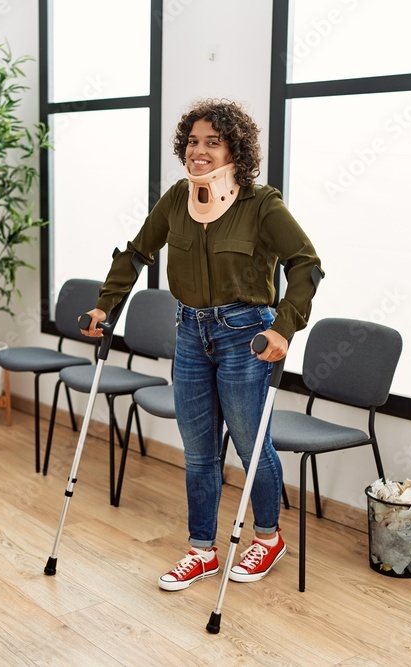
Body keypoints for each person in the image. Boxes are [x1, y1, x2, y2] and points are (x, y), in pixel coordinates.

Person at [81, 99, 322, 591]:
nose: (199, 151)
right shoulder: (176, 199)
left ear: (235, 148)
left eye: (213, 142)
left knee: (252, 445)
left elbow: (306, 264)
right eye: (193, 141)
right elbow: (135, 253)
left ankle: (268, 537)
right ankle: (201, 551)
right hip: (190, 332)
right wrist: (106, 305)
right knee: (198, 451)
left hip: (245, 335)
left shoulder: (262, 204)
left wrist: (284, 326)